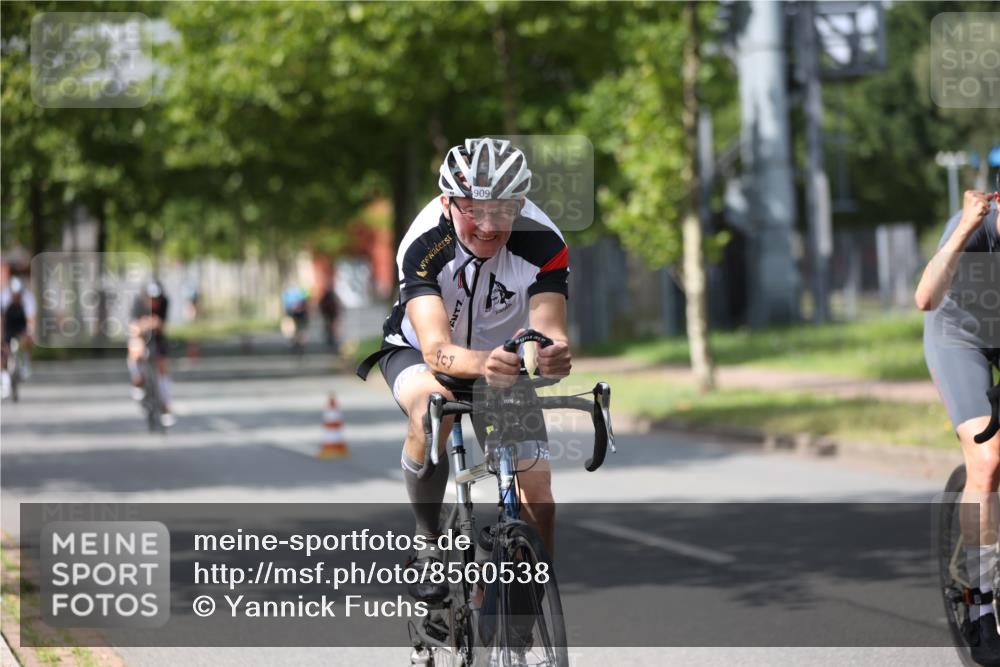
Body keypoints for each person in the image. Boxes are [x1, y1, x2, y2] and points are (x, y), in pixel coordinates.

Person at [357, 138, 572, 604]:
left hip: (503, 365)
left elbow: (548, 328)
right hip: (418, 353)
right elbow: (436, 349)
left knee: (539, 496)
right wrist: (487, 362)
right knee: (433, 409)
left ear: (521, 203)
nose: (490, 226)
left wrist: (552, 353)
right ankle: (427, 542)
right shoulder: (424, 242)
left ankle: (524, 614)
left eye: (504, 210)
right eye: (474, 209)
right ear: (447, 202)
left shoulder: (544, 241)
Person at [916, 183, 1000, 663]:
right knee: (986, 461)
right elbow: (926, 296)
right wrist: (966, 225)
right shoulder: (974, 227)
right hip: (959, 336)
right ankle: (981, 605)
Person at [127, 281, 175, 427]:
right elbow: (133, 327)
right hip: (140, 335)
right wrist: (146, 325)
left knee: (163, 368)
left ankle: (166, 406)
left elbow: (162, 326)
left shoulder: (165, 302)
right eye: (152, 299)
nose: (155, 302)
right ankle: (138, 381)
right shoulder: (138, 302)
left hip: (156, 337)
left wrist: (154, 324)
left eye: (157, 300)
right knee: (136, 350)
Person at [1, 276, 37, 398]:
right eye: (14, 295)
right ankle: (4, 379)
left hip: (22, 322)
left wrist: (30, 332)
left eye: (18, 295)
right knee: (2, 349)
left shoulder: (28, 297)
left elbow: (31, 318)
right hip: (9, 322)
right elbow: (2, 319)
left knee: (27, 338)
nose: (16, 297)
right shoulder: (4, 297)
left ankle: (26, 363)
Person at [318, 284, 341, 352]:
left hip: (330, 315)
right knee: (330, 328)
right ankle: (331, 341)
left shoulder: (329, 298)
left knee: (331, 328)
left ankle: (331, 341)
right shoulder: (331, 298)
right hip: (329, 315)